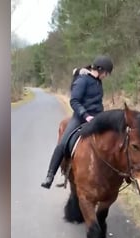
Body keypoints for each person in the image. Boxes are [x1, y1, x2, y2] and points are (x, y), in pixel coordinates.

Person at [41, 55, 114, 189]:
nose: (106, 76)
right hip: (80, 117)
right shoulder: (82, 81)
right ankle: (50, 175)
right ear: (99, 69)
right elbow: (74, 101)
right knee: (63, 144)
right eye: (106, 73)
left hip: (97, 117)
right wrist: (86, 116)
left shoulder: (97, 81)